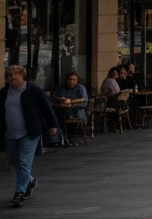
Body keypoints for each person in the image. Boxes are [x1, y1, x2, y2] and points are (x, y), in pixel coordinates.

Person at [2, 65, 58, 208]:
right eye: (8, 75)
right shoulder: (4, 93)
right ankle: (30, 180)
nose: (10, 78)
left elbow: (47, 108)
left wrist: (53, 125)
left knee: (24, 162)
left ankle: (19, 192)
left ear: (22, 76)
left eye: (13, 75)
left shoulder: (33, 90)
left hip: (29, 132)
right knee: (16, 162)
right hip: (10, 133)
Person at [52, 73, 89, 146]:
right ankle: (59, 138)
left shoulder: (80, 88)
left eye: (74, 80)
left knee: (64, 117)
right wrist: (61, 99)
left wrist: (71, 101)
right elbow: (54, 97)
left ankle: (68, 138)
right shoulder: (61, 88)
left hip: (77, 110)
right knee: (56, 115)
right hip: (63, 109)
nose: (71, 82)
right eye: (70, 79)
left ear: (77, 81)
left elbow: (84, 99)